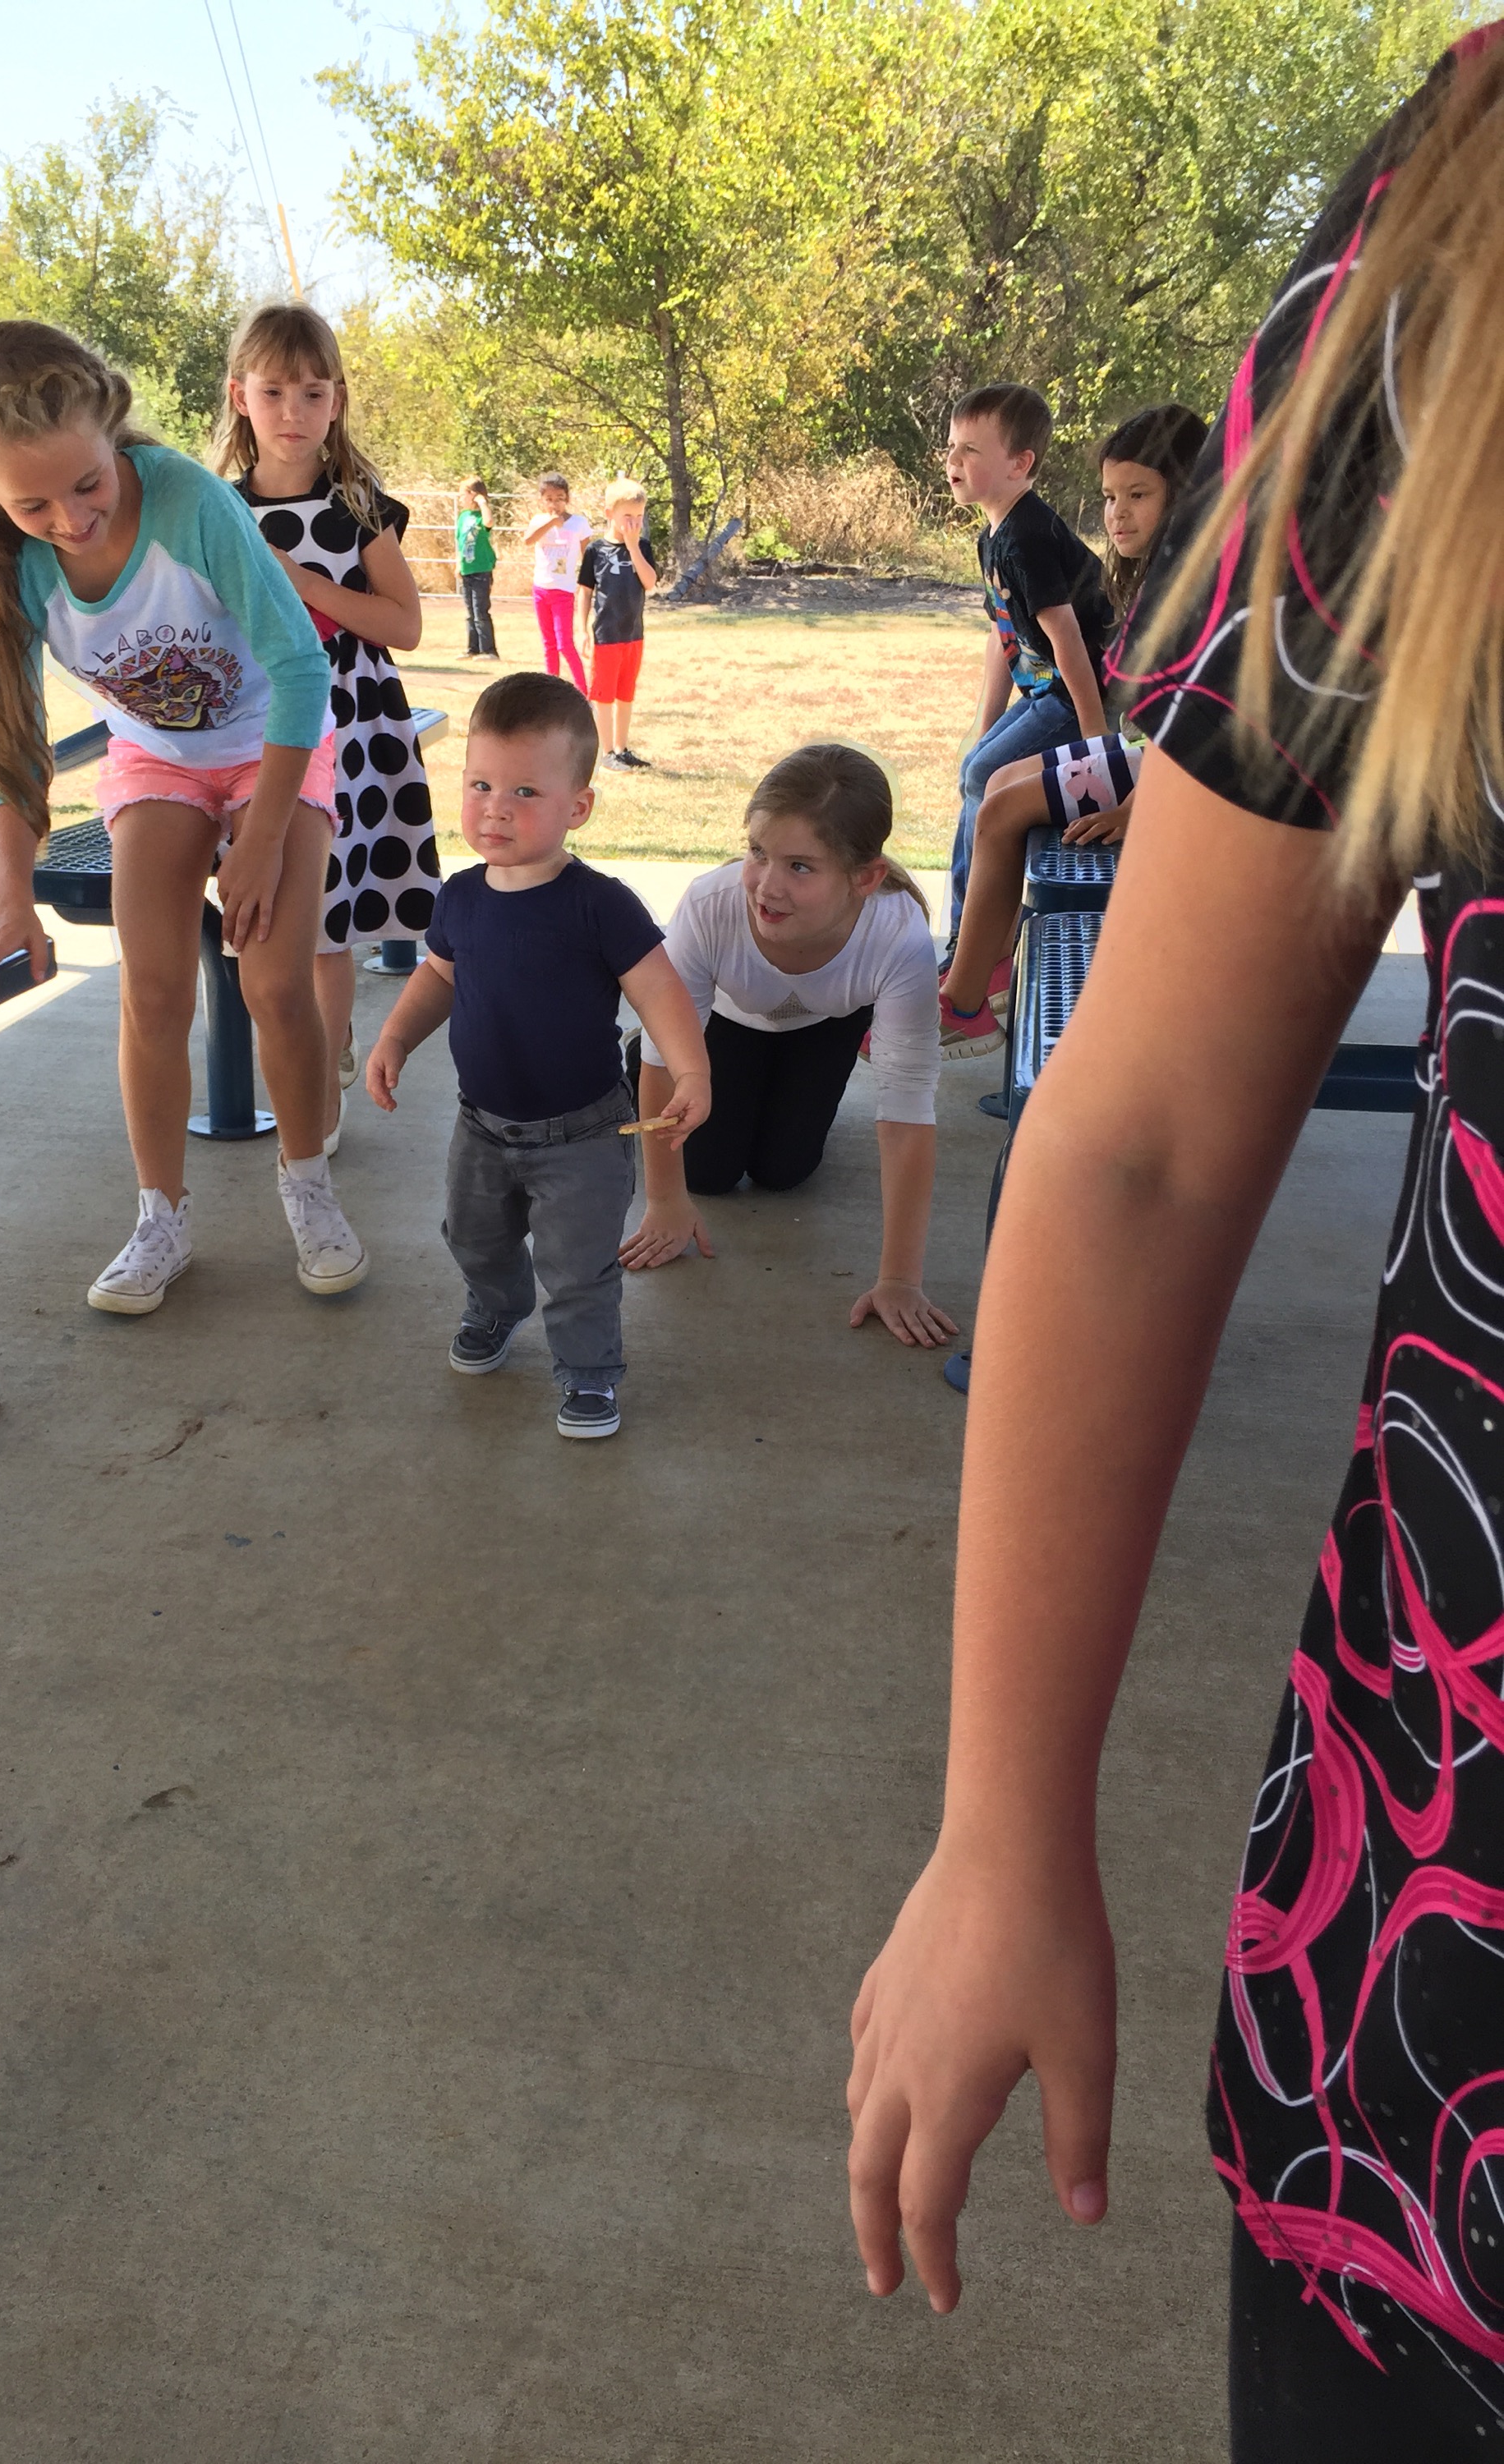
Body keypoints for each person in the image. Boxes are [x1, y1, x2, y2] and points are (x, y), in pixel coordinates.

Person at [846, 25, 1504, 2457]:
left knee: (1008, 809)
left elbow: (1078, 660)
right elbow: (1141, 1138)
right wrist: (1003, 1824)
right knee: (1002, 820)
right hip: (1441, 1988)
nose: (985, 481)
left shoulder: (1050, 538)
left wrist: (1057, 743)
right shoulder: (1457, 235)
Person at [0, 319, 366, 1310]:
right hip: (157, 758)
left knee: (275, 983)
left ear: (113, 429)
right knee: (156, 990)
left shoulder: (187, 501)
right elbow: (8, 747)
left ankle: (309, 1187)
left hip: (275, 738)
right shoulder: (0, 560)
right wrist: (12, 900)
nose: (71, 518)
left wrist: (261, 841)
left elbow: (302, 667)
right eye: (32, 504)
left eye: (88, 484)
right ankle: (159, 1219)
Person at [365, 673, 711, 1441]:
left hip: (583, 1135)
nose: (495, 807)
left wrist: (691, 1070)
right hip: (481, 1127)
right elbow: (438, 978)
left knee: (579, 1265)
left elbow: (659, 990)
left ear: (577, 807)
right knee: (472, 1237)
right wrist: (394, 1038)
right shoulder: (460, 897)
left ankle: (588, 1372)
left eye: (524, 792)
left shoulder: (599, 904)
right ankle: (498, 1304)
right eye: (481, 784)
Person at [620, 744, 954, 1349]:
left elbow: (907, 1110)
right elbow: (665, 1060)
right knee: (710, 1174)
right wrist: (665, 1200)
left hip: (823, 1027)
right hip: (722, 1024)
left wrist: (900, 1279)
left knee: (785, 1171)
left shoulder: (899, 935)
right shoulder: (710, 905)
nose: (767, 886)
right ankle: (635, 1051)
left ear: (865, 878)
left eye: (800, 866)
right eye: (758, 852)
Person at [214, 301, 437, 1143]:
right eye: (274, 393)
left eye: (314, 394)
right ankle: (301, 1060)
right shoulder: (216, 512)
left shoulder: (357, 507)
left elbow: (404, 625)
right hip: (256, 734)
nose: (293, 413)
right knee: (274, 915)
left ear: (337, 401)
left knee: (327, 919)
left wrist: (304, 582)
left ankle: (325, 1073)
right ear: (240, 396)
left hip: (351, 729)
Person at [938, 403, 1209, 1055]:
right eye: (1111, 497)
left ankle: (964, 1002)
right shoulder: (1153, 578)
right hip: (1146, 762)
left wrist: (1136, 804)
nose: (1117, 513)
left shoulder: (1192, 591)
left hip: (1167, 779)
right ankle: (982, 963)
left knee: (1001, 809)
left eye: (1139, 495)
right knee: (997, 779)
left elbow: (1196, 717)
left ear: (1188, 495)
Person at [942, 384, 1113, 948]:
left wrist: (1097, 741)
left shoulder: (1027, 536)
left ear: (1020, 464)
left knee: (981, 778)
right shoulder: (994, 535)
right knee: (977, 766)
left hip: (1080, 694)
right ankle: (974, 933)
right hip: (1048, 692)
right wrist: (987, 723)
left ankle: (974, 939)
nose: (953, 460)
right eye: (951, 446)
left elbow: (1068, 638)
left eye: (971, 449)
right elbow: (1004, 634)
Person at [577, 479, 658, 770]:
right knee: (604, 696)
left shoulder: (643, 547)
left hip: (633, 635)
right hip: (606, 635)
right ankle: (607, 752)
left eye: (639, 516)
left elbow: (649, 582)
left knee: (626, 694)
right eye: (627, 517)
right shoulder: (596, 551)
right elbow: (585, 592)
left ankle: (622, 749)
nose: (634, 523)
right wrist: (582, 630)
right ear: (609, 513)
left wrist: (634, 547)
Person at [521, 472, 591, 693]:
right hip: (541, 588)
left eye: (559, 498)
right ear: (542, 500)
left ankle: (583, 691)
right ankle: (551, 691)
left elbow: (588, 555)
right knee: (549, 645)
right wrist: (550, 523)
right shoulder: (539, 521)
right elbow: (528, 540)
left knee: (565, 644)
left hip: (564, 590)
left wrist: (588, 582)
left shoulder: (578, 523)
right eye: (549, 499)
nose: (555, 504)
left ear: (567, 498)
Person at [454, 476, 499, 658]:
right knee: (470, 612)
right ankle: (472, 648)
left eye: (463, 494)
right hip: (467, 569)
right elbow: (460, 542)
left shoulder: (481, 515)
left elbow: (489, 522)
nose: (460, 498)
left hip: (481, 569)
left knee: (480, 610)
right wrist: (458, 564)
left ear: (472, 494)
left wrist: (482, 502)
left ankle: (489, 650)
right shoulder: (463, 517)